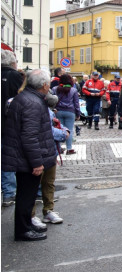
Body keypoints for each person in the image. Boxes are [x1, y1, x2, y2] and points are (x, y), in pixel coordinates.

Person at [1, 69, 58, 241]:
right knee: (26, 196)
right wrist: (37, 163)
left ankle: (27, 225)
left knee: (28, 195)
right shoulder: (32, 102)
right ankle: (23, 230)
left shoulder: (27, 98)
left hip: (23, 157)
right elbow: (29, 136)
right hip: (26, 159)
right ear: (44, 85)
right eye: (48, 83)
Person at [30, 92, 67, 227]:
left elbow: (56, 125)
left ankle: (48, 211)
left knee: (49, 183)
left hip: (50, 151)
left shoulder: (48, 110)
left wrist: (64, 130)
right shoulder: (33, 107)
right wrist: (63, 133)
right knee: (33, 185)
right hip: (38, 150)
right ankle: (31, 215)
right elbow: (47, 130)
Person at [1, 49, 24, 206]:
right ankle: (10, 192)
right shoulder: (14, 76)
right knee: (9, 157)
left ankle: (7, 192)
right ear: (12, 63)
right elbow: (21, 97)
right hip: (10, 122)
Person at [52, 74, 81, 155]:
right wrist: (78, 113)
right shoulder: (73, 90)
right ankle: (69, 148)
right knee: (70, 130)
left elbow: (52, 101)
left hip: (58, 111)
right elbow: (76, 103)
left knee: (58, 129)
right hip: (70, 111)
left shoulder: (55, 89)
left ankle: (59, 148)